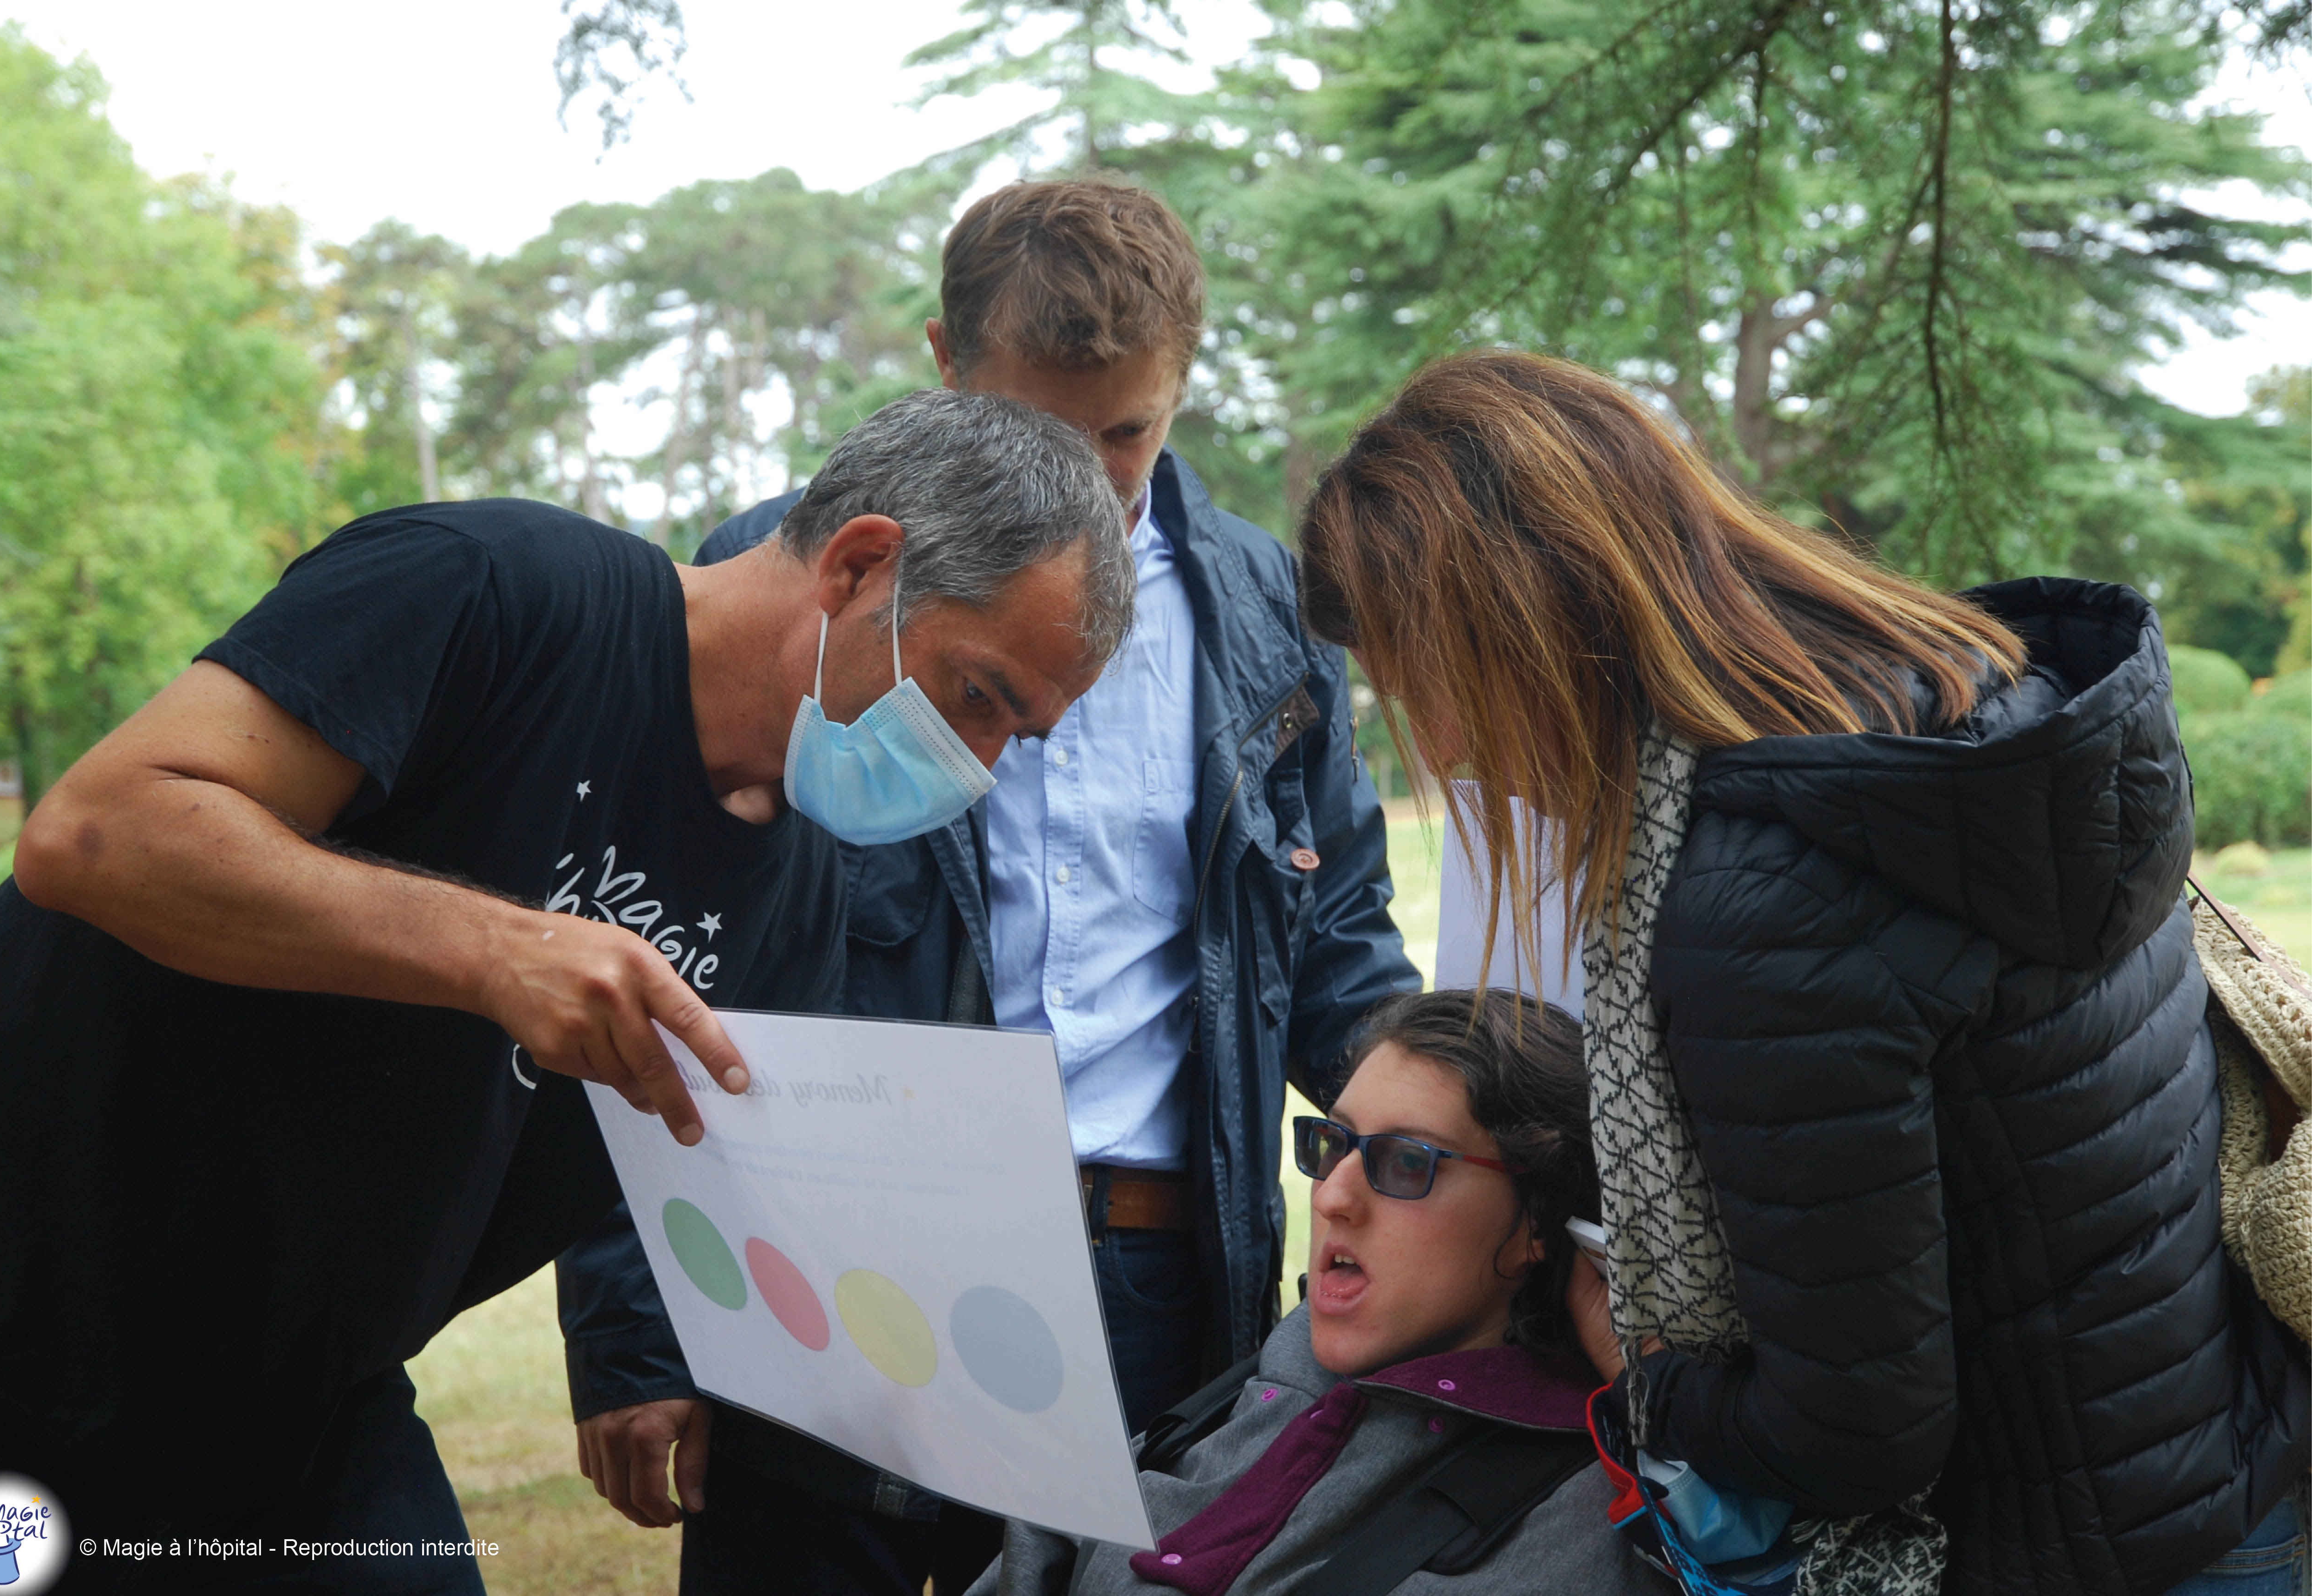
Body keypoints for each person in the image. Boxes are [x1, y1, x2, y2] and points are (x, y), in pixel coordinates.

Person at [0, 388, 1130, 1596]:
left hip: (287, 1409)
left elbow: (711, 1191)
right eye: (976, 697)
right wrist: (494, 950)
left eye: (1013, 740)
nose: (973, 771)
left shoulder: (804, 899)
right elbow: (95, 835)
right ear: (862, 566)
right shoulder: (491, 588)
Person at [1294, 350, 2308, 1594]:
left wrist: (1647, 1369)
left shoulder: (1762, 898)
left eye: (1416, 687)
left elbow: (1857, 1433)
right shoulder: (1953, 697)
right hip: (2209, 1462)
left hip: (2063, 1545)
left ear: (1511, 639)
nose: (1436, 742)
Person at [559, 177, 1419, 1595]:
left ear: (1184, 385)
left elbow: (1331, 950)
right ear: (943, 368)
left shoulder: (1271, 620)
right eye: (1038, 433)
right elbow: (644, 942)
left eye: (1127, 434)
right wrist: (635, 1327)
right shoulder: (774, 578)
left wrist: (1464, 1148)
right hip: (827, 1266)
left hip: (1161, 1294)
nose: (1085, 484)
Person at [978, 990, 1668, 1596]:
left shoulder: (1584, 1516)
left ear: (1538, 1224)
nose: (1333, 1195)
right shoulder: (1259, 1389)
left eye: (1406, 1162)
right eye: (1332, 1144)